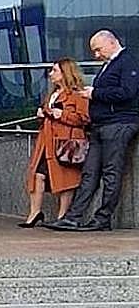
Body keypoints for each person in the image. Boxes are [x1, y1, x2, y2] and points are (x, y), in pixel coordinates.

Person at [48, 30, 139, 232]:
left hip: (119, 123)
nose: (96, 55)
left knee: (110, 172)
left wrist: (95, 93)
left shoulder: (127, 62)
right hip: (101, 125)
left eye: (98, 49)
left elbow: (128, 92)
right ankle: (73, 216)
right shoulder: (110, 65)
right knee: (90, 172)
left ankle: (102, 218)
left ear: (111, 42)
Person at [19, 59, 89, 227]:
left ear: (65, 73)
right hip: (47, 141)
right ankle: (35, 212)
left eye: (54, 70)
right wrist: (43, 113)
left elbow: (84, 118)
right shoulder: (52, 94)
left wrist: (62, 115)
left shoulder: (77, 94)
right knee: (37, 174)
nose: (51, 74)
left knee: (66, 178)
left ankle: (62, 215)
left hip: (65, 143)